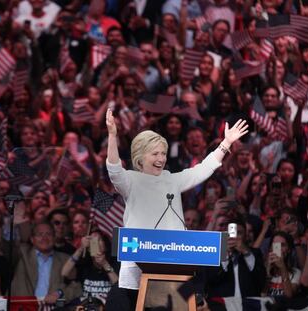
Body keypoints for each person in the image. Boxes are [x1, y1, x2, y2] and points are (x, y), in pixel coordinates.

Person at [105, 109, 248, 307]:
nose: (161, 158)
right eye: (155, 153)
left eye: (163, 153)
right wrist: (112, 136)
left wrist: (226, 144)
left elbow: (202, 170)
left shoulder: (171, 180)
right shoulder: (130, 180)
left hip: (175, 265)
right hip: (138, 265)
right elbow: (113, 169)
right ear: (140, 157)